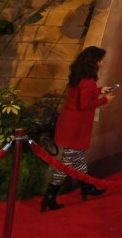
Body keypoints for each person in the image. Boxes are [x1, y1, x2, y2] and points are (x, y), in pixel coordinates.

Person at [42, 46, 115, 212]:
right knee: (67, 163)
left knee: (79, 159)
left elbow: (84, 95)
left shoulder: (79, 77)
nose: (102, 63)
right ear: (93, 61)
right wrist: (105, 100)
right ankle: (50, 195)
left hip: (71, 124)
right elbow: (84, 104)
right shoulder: (87, 82)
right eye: (100, 60)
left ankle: (87, 187)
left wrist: (99, 90)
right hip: (75, 128)